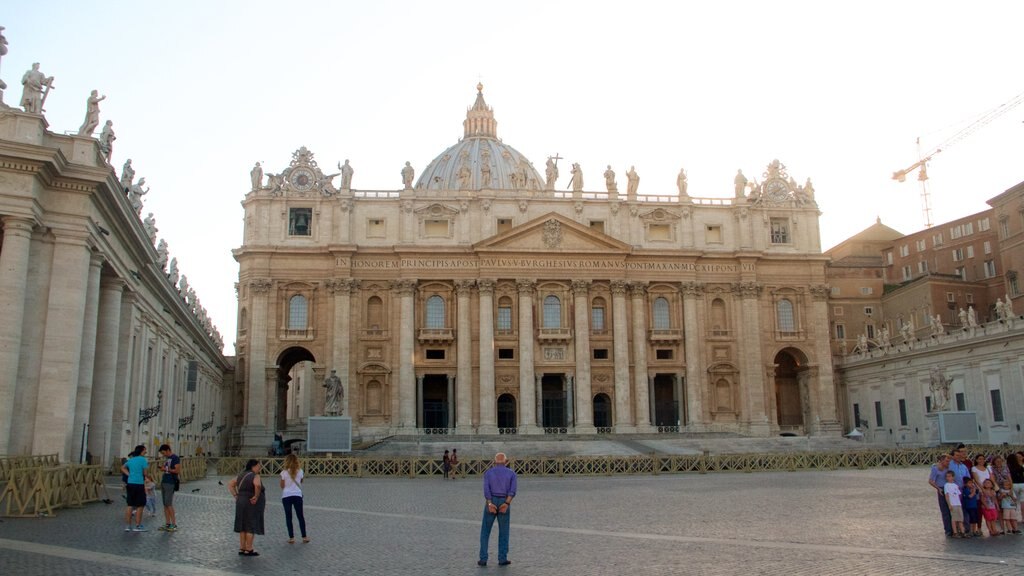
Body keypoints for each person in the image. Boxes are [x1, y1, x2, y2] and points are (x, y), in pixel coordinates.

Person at [478, 452, 517, 566]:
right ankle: (502, 558)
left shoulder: (488, 473)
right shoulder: (512, 474)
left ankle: (483, 559)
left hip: (492, 501)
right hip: (504, 500)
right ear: (506, 461)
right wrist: (506, 503)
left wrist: (490, 503)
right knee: (504, 532)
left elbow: (486, 490)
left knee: (485, 531)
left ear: (494, 462)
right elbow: (513, 490)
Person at [228, 459, 266, 556]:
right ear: (253, 466)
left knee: (242, 525)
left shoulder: (241, 475)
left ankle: (242, 547)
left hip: (241, 501)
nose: (259, 468)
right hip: (250, 502)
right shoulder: (255, 475)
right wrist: (256, 496)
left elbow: (231, 484)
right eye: (258, 466)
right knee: (250, 524)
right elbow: (257, 485)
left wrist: (236, 495)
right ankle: (249, 548)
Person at [280, 453, 310, 544]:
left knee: (288, 517)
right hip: (297, 495)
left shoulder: (283, 472)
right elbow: (301, 481)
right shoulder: (300, 471)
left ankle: (291, 537)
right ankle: (304, 536)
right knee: (300, 516)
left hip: (286, 496)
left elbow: (282, 486)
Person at [121, 444, 151, 532]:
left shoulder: (131, 459)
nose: (146, 452)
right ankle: (138, 525)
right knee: (140, 505)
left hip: (130, 483)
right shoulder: (143, 460)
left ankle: (128, 525)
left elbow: (122, 468)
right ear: (141, 451)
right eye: (145, 450)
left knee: (130, 504)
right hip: (139, 483)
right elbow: (145, 473)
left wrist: (128, 474)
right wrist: (147, 477)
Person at [927, 453, 953, 537]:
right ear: (941, 461)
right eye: (946, 461)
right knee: (945, 510)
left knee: (953, 509)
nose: (948, 462)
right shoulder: (935, 468)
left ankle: (955, 528)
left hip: (949, 487)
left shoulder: (948, 468)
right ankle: (948, 530)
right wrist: (938, 488)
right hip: (941, 488)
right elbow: (931, 481)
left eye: (948, 461)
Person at [158, 444, 181, 532]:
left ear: (168, 450)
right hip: (164, 481)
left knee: (169, 503)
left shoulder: (175, 458)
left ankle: (174, 524)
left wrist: (166, 470)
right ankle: (167, 523)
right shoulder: (167, 458)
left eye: (164, 453)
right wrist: (163, 468)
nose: (163, 455)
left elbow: (177, 470)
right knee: (165, 504)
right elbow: (167, 468)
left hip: (170, 482)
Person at [943, 470, 965, 538]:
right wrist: (949, 504)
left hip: (958, 504)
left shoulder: (955, 485)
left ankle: (962, 532)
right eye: (947, 476)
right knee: (954, 519)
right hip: (952, 504)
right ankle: (955, 532)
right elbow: (947, 495)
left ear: (953, 477)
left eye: (949, 476)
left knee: (960, 518)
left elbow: (958, 495)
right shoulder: (946, 485)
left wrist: (960, 503)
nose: (948, 478)